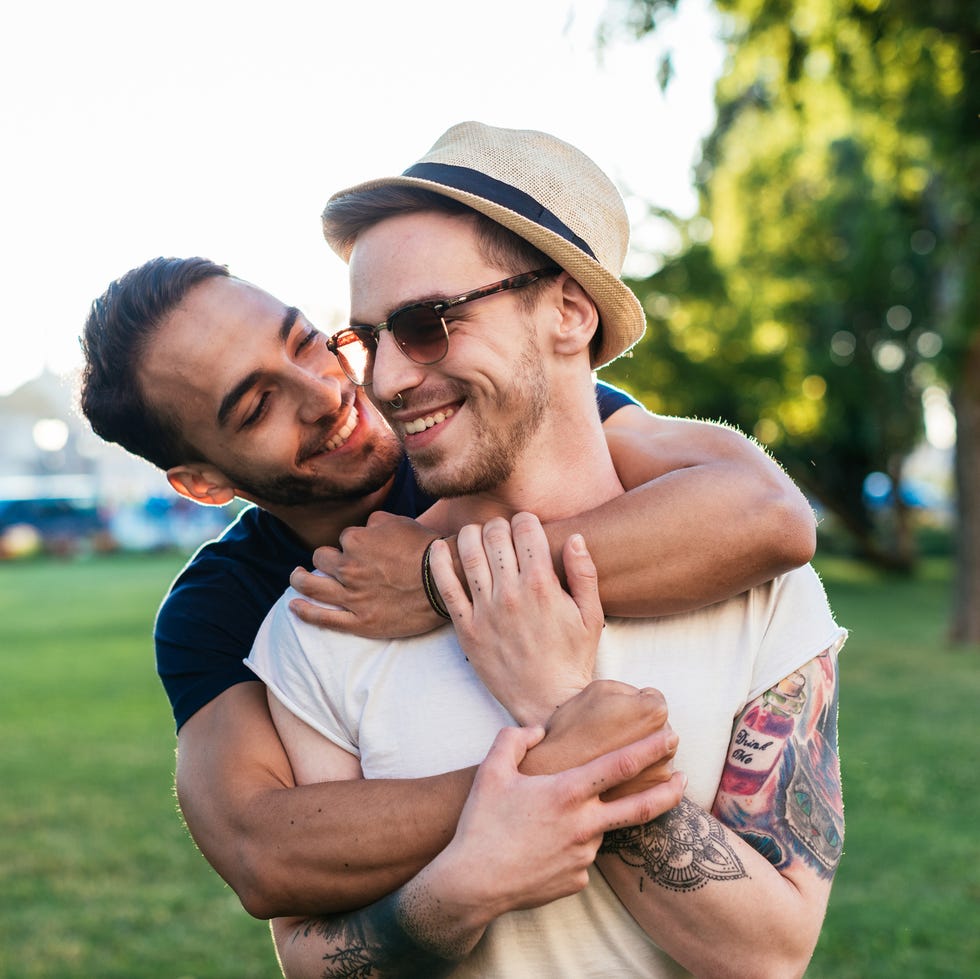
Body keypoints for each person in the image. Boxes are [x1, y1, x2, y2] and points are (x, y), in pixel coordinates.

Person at [247, 121, 846, 976]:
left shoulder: (767, 598)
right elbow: (313, 960)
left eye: (426, 324)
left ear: (568, 310)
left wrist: (557, 702)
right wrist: (458, 893)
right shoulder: (327, 618)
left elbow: (768, 954)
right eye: (367, 338)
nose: (384, 379)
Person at [78, 245, 814, 921]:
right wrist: (543, 777)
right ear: (203, 483)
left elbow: (767, 515)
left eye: (303, 339)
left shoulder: (481, 421)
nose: (325, 389)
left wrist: (437, 573)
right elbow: (260, 849)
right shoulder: (220, 606)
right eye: (257, 405)